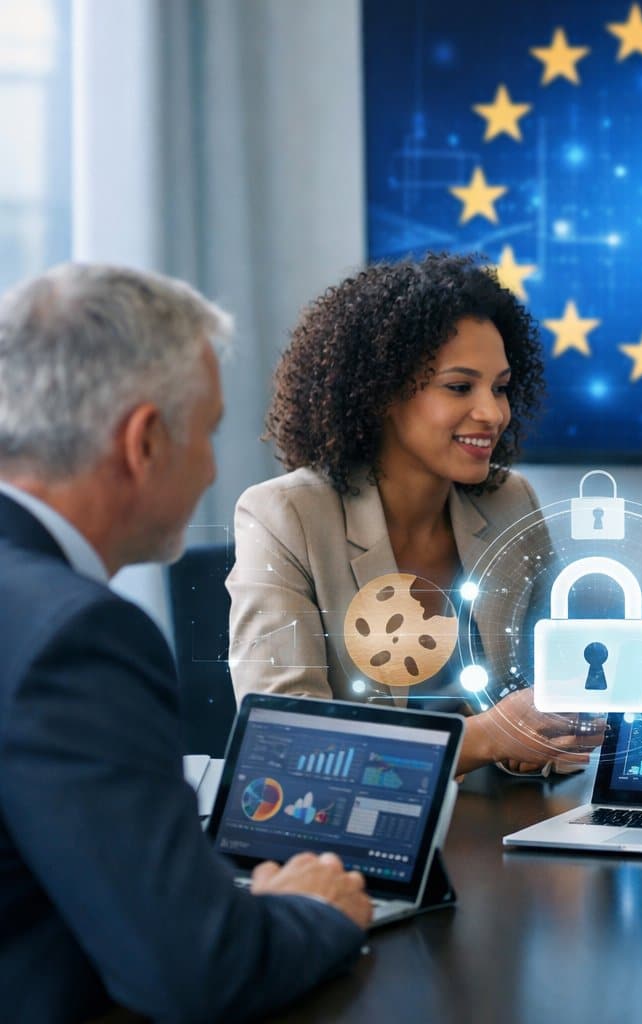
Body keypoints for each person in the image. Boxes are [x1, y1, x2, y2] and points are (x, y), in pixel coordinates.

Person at [0, 264, 371, 1022]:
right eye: (207, 431)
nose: (211, 468)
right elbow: (198, 970)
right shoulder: (75, 636)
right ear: (143, 441)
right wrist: (312, 908)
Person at [228, 254, 599, 775]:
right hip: (348, 839)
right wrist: (487, 737)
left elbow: (546, 712)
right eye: (459, 386)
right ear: (380, 392)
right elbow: (286, 743)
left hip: (496, 829)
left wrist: (570, 723)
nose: (492, 413)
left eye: (499, 386)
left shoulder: (511, 501)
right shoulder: (285, 515)